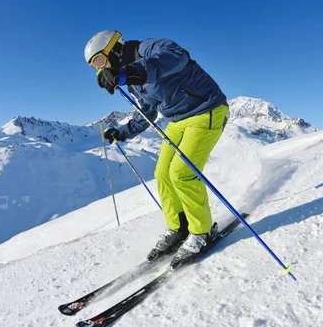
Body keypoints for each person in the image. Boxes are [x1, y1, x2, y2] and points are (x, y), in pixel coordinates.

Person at [84, 30, 228, 267]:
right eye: (95, 67)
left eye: (100, 61)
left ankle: (202, 232)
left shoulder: (148, 48)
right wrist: (121, 132)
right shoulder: (132, 82)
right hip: (177, 120)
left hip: (206, 110)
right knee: (162, 174)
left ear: (113, 48)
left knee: (182, 173)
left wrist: (130, 72)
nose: (101, 69)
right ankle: (179, 228)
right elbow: (147, 113)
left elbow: (177, 56)